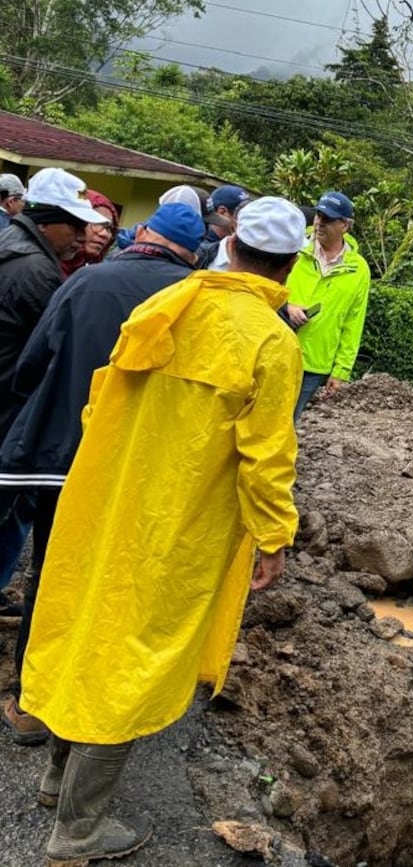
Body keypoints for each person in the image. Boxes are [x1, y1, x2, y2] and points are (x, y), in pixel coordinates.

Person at [20, 196, 306, 865]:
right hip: (178, 522)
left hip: (108, 500)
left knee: (90, 623)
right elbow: (268, 456)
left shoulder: (165, 307)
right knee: (134, 656)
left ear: (229, 246)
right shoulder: (271, 341)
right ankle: (77, 830)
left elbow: (101, 400)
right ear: (288, 266)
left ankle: (56, 779)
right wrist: (274, 535)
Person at [0, 202, 204, 747]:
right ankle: (96, 708)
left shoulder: (87, 283)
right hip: (146, 471)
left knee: (52, 572)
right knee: (122, 581)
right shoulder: (196, 303)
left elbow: (31, 365)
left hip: (66, 459)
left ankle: (30, 704)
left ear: (143, 239)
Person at [0, 168, 109, 634]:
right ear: (48, 221)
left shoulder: (15, 248)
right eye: (76, 225)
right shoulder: (36, 271)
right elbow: (46, 354)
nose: (84, 235)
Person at [283, 191, 371, 423]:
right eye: (318, 215)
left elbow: (353, 322)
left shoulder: (358, 269)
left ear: (345, 225)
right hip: (277, 347)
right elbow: (265, 285)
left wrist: (341, 371)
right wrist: (286, 306)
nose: (319, 222)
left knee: (288, 421)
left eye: (328, 218)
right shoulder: (295, 246)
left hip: (314, 362)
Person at [61, 191, 119, 276]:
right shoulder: (43, 263)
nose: (104, 234)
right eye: (96, 222)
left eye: (109, 228)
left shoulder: (96, 274)